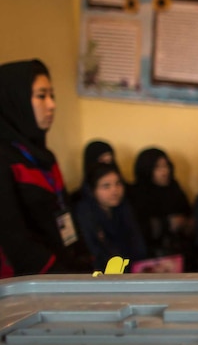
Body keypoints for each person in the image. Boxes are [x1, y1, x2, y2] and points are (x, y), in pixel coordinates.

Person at [0, 58, 91, 277]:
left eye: (52, 96)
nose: (51, 105)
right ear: (15, 100)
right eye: (41, 96)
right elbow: (15, 240)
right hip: (27, 287)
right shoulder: (4, 159)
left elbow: (64, 215)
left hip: (62, 276)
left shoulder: (44, 157)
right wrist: (62, 278)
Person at [127, 146, 196, 270]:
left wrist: (186, 223)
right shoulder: (136, 194)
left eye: (166, 166)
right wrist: (167, 223)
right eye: (157, 167)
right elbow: (137, 228)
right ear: (146, 169)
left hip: (180, 254)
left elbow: (188, 214)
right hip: (150, 258)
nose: (165, 171)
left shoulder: (174, 188)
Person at [74, 161, 147, 270]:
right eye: (106, 186)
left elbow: (137, 246)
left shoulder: (124, 208)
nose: (114, 190)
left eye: (118, 183)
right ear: (92, 190)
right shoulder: (84, 214)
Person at [70, 139, 122, 206]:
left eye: (110, 161)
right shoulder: (76, 200)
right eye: (102, 161)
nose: (107, 167)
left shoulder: (125, 193)